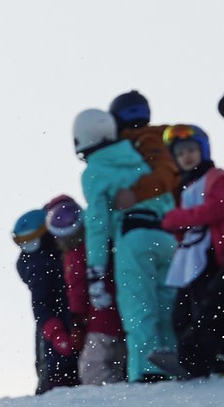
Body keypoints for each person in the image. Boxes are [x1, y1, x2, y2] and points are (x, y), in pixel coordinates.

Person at [74, 108, 178, 382]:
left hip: (133, 237)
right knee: (168, 304)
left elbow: (97, 224)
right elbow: (165, 198)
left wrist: (95, 269)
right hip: (166, 236)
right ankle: (174, 363)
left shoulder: (94, 170)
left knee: (139, 307)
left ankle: (147, 370)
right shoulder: (137, 156)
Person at [159, 124, 224, 376]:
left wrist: (176, 218)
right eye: (180, 154)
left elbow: (218, 208)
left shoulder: (218, 178)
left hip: (214, 255)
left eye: (191, 150)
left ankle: (215, 358)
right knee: (182, 314)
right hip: (190, 259)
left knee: (208, 309)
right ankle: (192, 358)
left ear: (203, 150)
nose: (186, 157)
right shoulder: (188, 186)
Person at [50, 199, 124, 385]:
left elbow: (77, 291)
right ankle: (125, 391)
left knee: (92, 367)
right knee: (117, 361)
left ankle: (117, 401)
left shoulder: (75, 256)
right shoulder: (104, 245)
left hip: (98, 322)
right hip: (122, 316)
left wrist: (77, 322)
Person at [13, 205, 81, 394]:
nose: (29, 246)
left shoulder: (57, 257)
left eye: (31, 239)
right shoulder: (38, 263)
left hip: (63, 324)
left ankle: (50, 385)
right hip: (58, 328)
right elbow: (41, 303)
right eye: (24, 242)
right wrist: (55, 331)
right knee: (57, 372)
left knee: (57, 372)